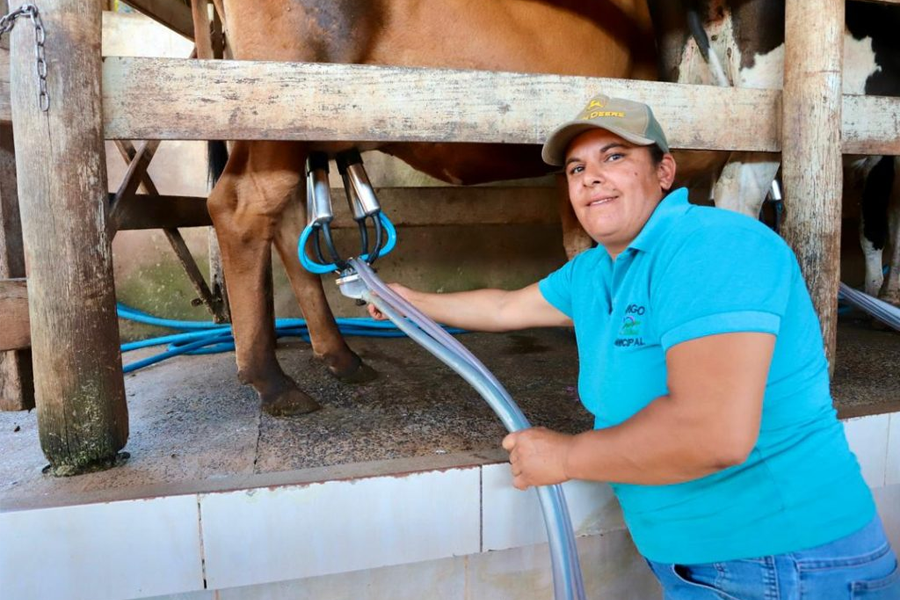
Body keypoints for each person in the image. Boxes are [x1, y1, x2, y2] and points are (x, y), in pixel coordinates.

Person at [367, 94, 899, 598]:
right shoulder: (599, 269)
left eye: (614, 156)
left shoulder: (712, 246)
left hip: (788, 565)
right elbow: (506, 307)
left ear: (664, 172)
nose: (590, 177)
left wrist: (567, 455)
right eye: (576, 168)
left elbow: (711, 433)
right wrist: (410, 300)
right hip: (715, 566)